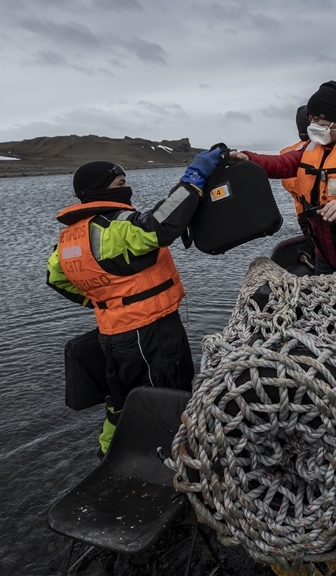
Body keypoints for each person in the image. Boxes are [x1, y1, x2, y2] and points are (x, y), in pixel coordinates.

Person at [46, 148, 224, 456]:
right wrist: (193, 178)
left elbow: (55, 278)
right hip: (151, 332)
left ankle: (110, 454)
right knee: (169, 394)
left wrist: (103, 302)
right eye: (119, 184)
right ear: (100, 189)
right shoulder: (115, 228)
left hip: (112, 335)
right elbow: (161, 225)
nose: (125, 188)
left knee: (121, 398)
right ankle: (175, 458)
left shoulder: (69, 238)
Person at [230, 81, 336, 274]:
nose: (313, 125)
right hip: (325, 258)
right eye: (311, 120)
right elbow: (282, 163)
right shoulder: (310, 148)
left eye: (318, 120)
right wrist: (249, 159)